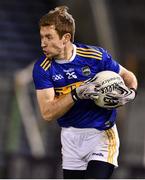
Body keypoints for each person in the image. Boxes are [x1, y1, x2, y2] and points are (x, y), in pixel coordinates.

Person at [32, 6, 138, 179]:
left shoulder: (95, 56)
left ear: (66, 38)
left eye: (49, 37)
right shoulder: (42, 68)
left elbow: (128, 76)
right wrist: (76, 94)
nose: (43, 43)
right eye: (42, 37)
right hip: (70, 139)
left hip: (101, 136)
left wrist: (131, 93)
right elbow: (47, 113)